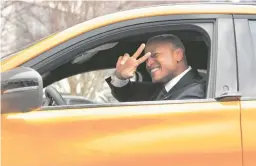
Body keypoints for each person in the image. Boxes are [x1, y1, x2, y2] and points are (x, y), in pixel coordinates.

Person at [105, 34, 206, 102]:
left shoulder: (194, 95)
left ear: (178, 55)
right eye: (147, 59)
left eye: (155, 55)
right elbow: (126, 94)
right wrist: (120, 76)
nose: (148, 64)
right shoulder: (163, 87)